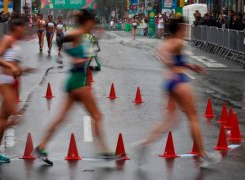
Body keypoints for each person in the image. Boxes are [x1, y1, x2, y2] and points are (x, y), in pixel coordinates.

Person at [132, 17, 222, 168]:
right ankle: (203, 156)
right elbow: (162, 52)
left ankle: (143, 144)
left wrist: (191, 66)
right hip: (179, 81)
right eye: (184, 26)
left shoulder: (171, 40)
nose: (186, 28)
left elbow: (164, 52)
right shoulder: (177, 41)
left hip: (171, 83)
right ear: (179, 27)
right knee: (193, 117)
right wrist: (171, 66)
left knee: (170, 120)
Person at [34, 9, 118, 165]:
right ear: (87, 21)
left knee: (61, 118)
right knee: (97, 116)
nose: (94, 24)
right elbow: (61, 40)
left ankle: (42, 146)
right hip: (78, 82)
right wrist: (75, 57)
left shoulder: (84, 34)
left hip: (75, 81)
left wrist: (79, 55)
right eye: (93, 21)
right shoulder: (78, 33)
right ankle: (104, 151)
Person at [0, 17, 34, 163]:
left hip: (14, 82)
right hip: (5, 83)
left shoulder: (16, 44)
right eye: (24, 28)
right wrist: (10, 67)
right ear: (17, 28)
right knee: (17, 116)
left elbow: (13, 64)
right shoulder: (7, 39)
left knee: (4, 118)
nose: (25, 31)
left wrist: (22, 70)